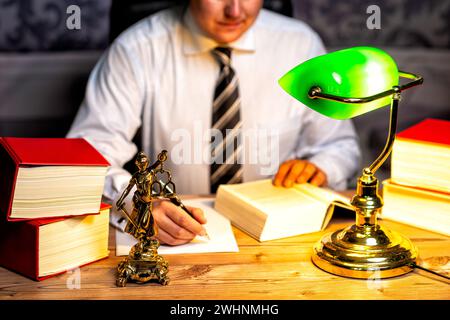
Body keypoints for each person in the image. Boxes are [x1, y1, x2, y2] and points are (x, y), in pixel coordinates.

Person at [67, 0, 361, 246]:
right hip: (177, 238)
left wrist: (321, 169)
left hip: (280, 238)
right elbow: (86, 159)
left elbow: (339, 146)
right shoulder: (136, 49)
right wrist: (138, 203)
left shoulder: (300, 44)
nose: (235, 11)